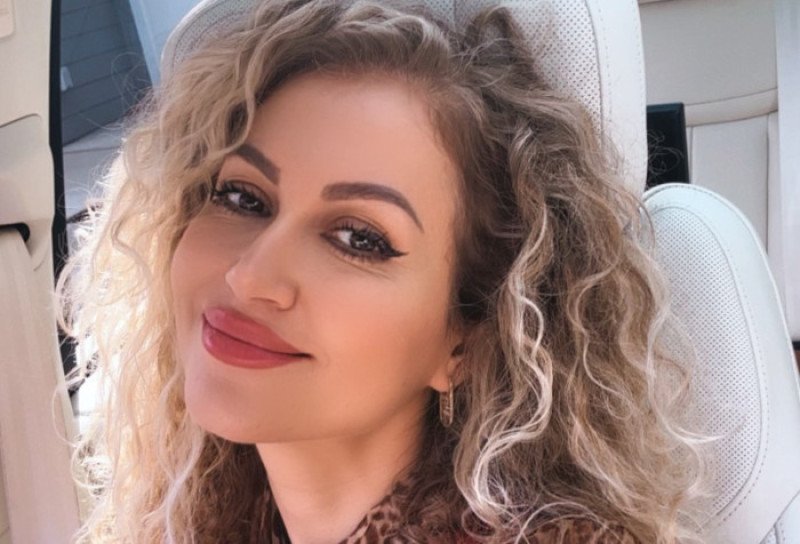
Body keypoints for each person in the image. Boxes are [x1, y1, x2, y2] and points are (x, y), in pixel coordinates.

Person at [59, 0, 706, 542]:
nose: (249, 276)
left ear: (468, 340)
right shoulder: (202, 517)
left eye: (358, 239)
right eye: (242, 198)